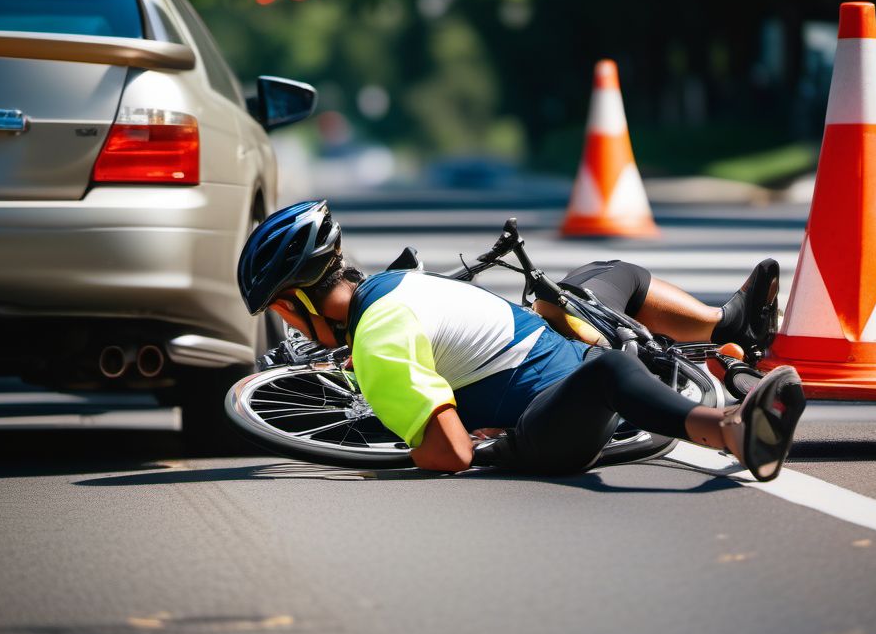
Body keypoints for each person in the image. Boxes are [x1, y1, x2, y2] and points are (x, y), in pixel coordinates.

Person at [237, 200, 805, 481]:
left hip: (563, 390)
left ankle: (731, 380)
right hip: (561, 397)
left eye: (285, 317)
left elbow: (447, 452)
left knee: (603, 325)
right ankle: (726, 407)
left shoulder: (377, 342)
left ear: (291, 304)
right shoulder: (398, 284)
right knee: (608, 315)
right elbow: (458, 442)